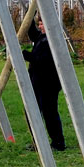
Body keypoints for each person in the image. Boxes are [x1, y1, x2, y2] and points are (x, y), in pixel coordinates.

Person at [22, 15, 66, 151]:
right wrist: (30, 13)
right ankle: (41, 142)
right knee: (35, 112)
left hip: (48, 83)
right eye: (39, 24)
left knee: (49, 113)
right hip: (39, 82)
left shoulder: (52, 41)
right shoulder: (42, 37)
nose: (40, 27)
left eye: (42, 24)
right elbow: (32, 32)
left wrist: (21, 53)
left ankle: (57, 143)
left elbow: (40, 60)